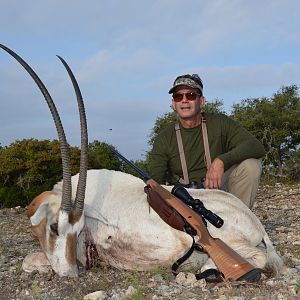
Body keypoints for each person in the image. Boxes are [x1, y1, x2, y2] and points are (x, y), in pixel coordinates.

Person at [148, 74, 266, 208]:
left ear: (202, 101)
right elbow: (155, 177)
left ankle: (240, 219)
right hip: (184, 198)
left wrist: (221, 161)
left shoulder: (220, 122)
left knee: (251, 166)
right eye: (178, 96)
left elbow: (255, 146)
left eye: (191, 95)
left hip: (220, 189)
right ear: (173, 104)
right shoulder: (164, 136)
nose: (184, 100)